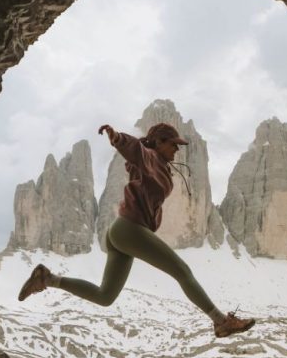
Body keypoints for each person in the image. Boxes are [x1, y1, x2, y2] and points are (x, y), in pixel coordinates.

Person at [17, 122, 256, 338]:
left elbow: (140, 162)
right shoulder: (150, 157)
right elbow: (138, 151)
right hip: (129, 230)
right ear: (159, 142)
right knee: (182, 271)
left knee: (105, 296)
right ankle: (220, 322)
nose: (177, 150)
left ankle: (47, 279)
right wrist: (118, 138)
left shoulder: (156, 164)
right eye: (173, 144)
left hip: (120, 232)